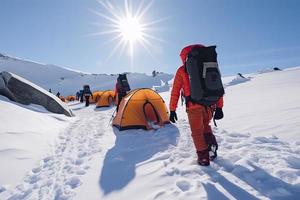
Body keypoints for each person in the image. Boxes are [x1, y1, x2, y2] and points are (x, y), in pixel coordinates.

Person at [169, 44, 224, 166]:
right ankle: (211, 145)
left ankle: (203, 157)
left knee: (197, 132)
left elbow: (175, 91)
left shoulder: (182, 70)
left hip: (194, 106)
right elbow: (217, 86)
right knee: (205, 124)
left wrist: (172, 110)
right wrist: (220, 107)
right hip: (210, 104)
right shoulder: (209, 65)